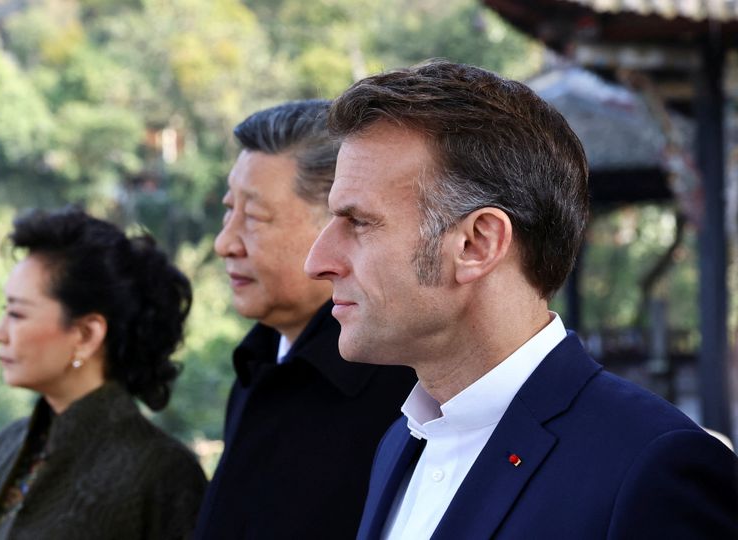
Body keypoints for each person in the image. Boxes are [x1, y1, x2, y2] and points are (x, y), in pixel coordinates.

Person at [304, 61, 738, 539]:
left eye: (359, 222)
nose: (318, 261)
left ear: (478, 244)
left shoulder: (651, 467)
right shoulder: (399, 443)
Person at [194, 100, 416, 539]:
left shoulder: (403, 389)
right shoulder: (257, 363)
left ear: (339, 222)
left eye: (254, 217)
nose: (225, 243)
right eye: (228, 210)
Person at [0, 208, 206, 540]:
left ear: (87, 335)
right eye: (5, 312)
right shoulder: (6, 446)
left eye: (17, 314)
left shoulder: (163, 472)